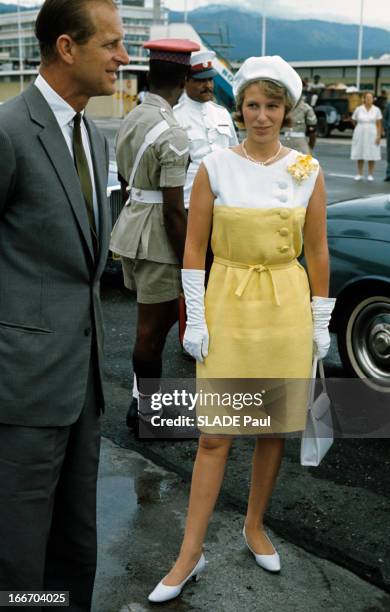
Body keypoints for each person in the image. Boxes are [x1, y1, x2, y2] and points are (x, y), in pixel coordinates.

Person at [148, 55, 335, 603]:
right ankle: (189, 552)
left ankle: (254, 525)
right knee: (214, 435)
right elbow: (193, 248)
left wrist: (320, 321)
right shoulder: (214, 166)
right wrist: (196, 315)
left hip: (285, 304)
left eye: (271, 106)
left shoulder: (305, 170)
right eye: (252, 104)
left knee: (272, 427)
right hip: (229, 299)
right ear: (240, 107)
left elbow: (318, 252)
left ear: (286, 110)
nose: (260, 116)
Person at [0, 0, 128, 608]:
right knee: (17, 550)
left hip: (83, 382)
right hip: (20, 385)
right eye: (110, 44)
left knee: (75, 541)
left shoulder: (95, 138)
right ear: (67, 48)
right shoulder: (7, 132)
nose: (123, 58)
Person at [110, 38, 200, 435]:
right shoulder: (174, 133)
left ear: (149, 74)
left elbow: (126, 181)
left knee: (148, 328)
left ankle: (142, 404)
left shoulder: (132, 117)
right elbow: (174, 209)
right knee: (152, 332)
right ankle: (148, 413)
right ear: (183, 78)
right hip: (157, 241)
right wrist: (189, 262)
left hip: (131, 229)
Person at [174, 50, 238, 209]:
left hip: (222, 201)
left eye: (210, 79)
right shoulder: (175, 117)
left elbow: (234, 155)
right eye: (200, 80)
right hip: (189, 201)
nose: (208, 85)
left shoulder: (222, 114)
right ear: (186, 81)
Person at [351, 92, 382, 181]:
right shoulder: (359, 109)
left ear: (373, 99)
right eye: (367, 98)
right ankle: (359, 174)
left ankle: (370, 174)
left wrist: (378, 136)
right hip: (360, 132)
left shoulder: (376, 110)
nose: (369, 99)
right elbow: (353, 120)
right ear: (364, 99)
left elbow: (379, 124)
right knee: (360, 152)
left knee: (372, 153)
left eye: (371, 98)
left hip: (372, 132)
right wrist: (358, 127)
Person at [384, 98, 390, 181]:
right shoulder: (389, 105)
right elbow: (385, 118)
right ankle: (389, 174)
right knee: (389, 153)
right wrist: (386, 129)